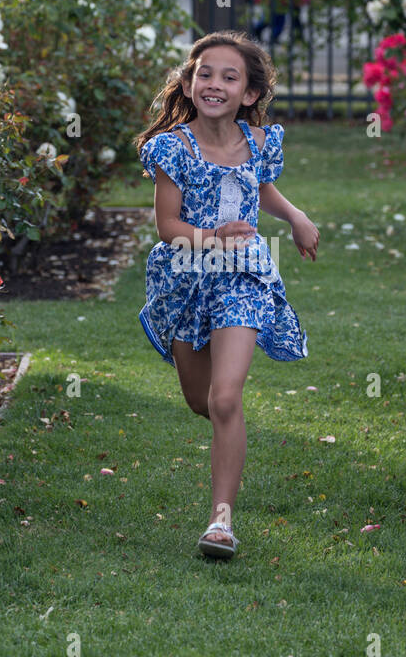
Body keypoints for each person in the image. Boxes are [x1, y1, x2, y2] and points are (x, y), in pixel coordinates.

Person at [135, 30, 319, 560]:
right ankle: (222, 425)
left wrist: (296, 216)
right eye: (205, 74)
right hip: (186, 277)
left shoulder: (260, 143)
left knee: (225, 397)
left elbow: (262, 187)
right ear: (190, 85)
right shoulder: (172, 148)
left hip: (244, 275)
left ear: (250, 94)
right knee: (201, 400)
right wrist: (211, 239)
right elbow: (168, 226)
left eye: (229, 77)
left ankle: (221, 524)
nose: (215, 83)